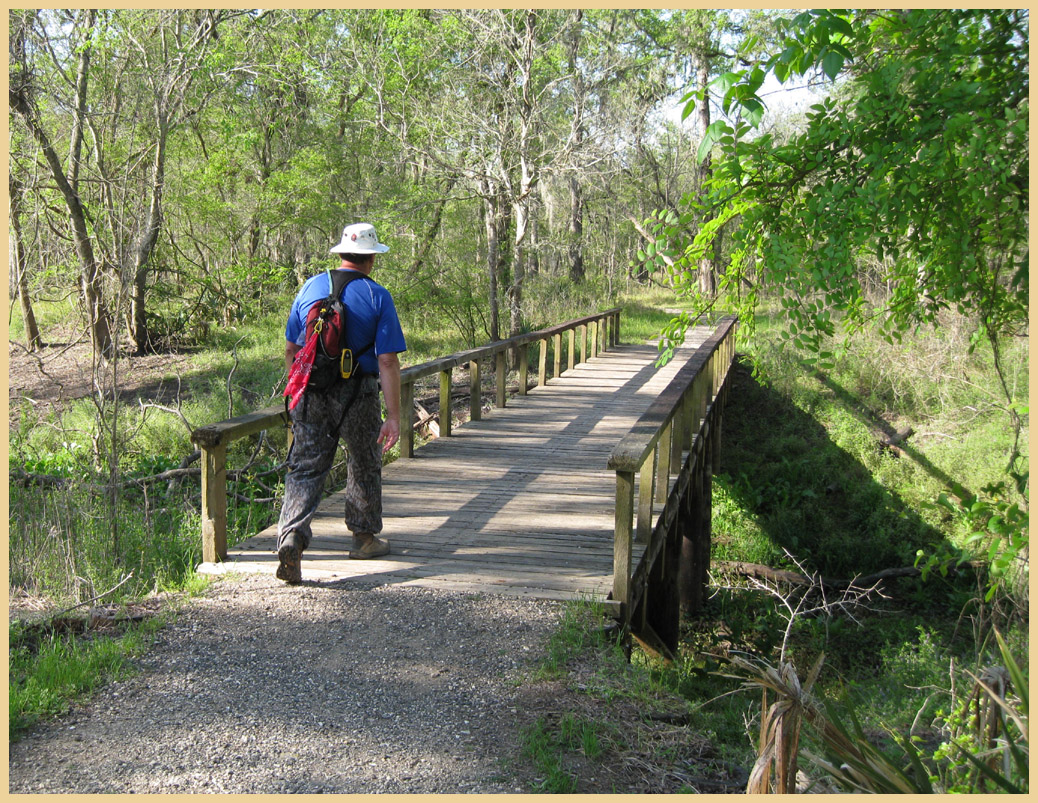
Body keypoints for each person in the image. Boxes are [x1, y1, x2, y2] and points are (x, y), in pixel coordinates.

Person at [276, 222, 406, 584]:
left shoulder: (310, 287)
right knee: (364, 461)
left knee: (305, 468)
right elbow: (387, 361)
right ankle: (364, 538)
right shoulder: (377, 295)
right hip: (358, 392)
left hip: (312, 392)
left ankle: (291, 537)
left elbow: (291, 349)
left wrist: (300, 391)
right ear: (371, 258)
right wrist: (393, 416)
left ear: (342, 252)